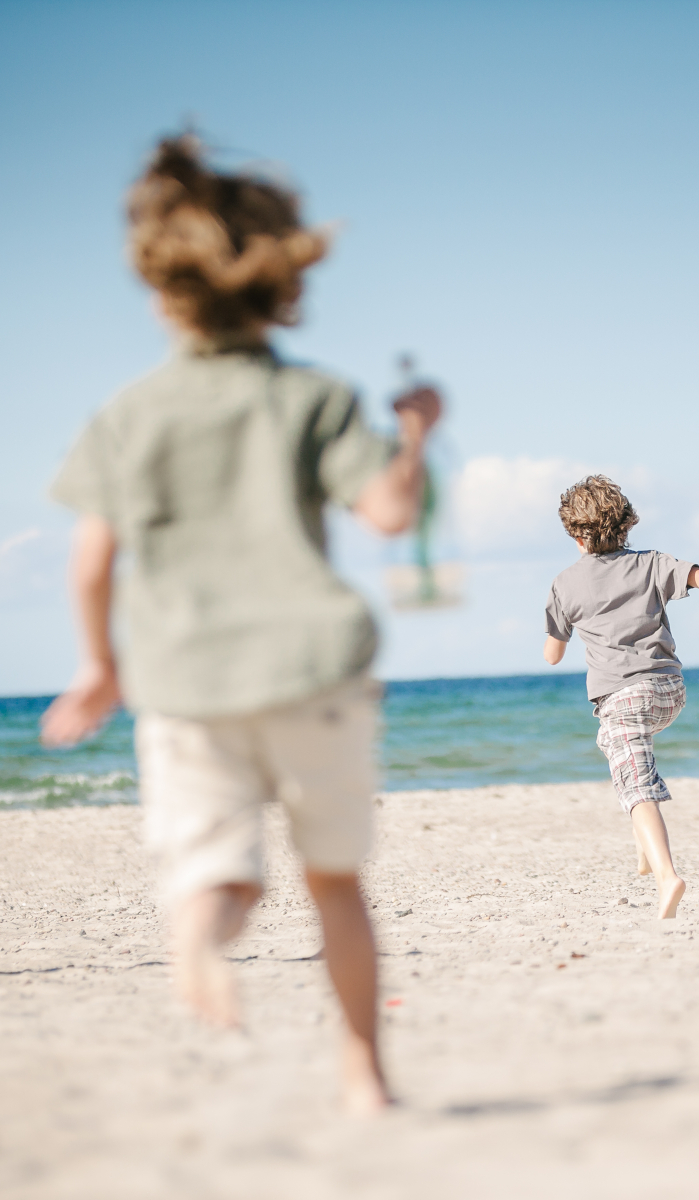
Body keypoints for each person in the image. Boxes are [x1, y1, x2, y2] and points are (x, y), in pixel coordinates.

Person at [39, 134, 439, 1114]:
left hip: (184, 683)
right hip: (314, 672)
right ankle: (365, 1076)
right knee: (334, 883)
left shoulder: (130, 414)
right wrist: (417, 433)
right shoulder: (316, 398)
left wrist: (100, 666)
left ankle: (198, 944)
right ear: (284, 285)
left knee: (221, 876)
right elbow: (388, 514)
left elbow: (92, 561)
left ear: (162, 291)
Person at [542, 477, 699, 918]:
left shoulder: (564, 584)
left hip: (621, 696)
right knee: (617, 747)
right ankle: (644, 853)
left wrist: (565, 629)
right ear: (625, 525)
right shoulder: (651, 563)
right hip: (668, 692)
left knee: (636, 783)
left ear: (574, 534)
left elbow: (552, 654)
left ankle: (666, 877)